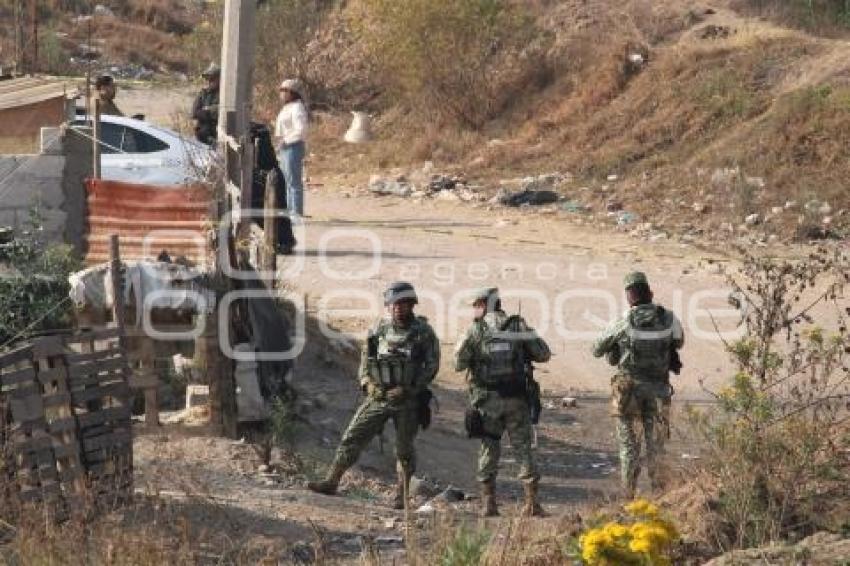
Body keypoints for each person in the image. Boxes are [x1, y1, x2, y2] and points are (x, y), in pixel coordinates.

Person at [307, 282, 440, 509]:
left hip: (407, 401)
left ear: (411, 305)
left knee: (404, 449)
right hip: (378, 396)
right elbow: (365, 362)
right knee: (353, 436)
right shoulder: (379, 329)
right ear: (388, 306)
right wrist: (368, 384)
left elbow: (432, 365)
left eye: (402, 304)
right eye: (393, 304)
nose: (397, 308)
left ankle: (401, 495)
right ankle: (332, 481)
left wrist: (410, 389)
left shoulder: (423, 333)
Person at [454, 287, 551, 517]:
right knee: (522, 449)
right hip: (516, 399)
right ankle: (532, 504)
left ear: (483, 304)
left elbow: (458, 362)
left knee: (489, 447)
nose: (473, 310)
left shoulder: (475, 330)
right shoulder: (517, 326)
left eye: (475, 305)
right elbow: (543, 353)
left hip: (488, 401)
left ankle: (489, 504)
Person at [591, 272, 684, 499]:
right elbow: (679, 341)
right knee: (657, 449)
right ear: (650, 293)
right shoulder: (668, 318)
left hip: (628, 393)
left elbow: (596, 349)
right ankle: (660, 497)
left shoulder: (624, 320)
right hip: (659, 391)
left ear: (629, 296)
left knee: (629, 449)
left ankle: (628, 499)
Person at [274, 78, 308, 217]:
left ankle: (296, 212)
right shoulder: (287, 107)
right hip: (285, 146)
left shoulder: (297, 107)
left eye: (284, 90)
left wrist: (286, 140)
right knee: (286, 180)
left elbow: (301, 129)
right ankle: (289, 210)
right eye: (281, 90)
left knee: (294, 180)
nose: (281, 93)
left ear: (292, 92)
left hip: (293, 146)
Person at [192, 63, 220, 146]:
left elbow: (223, 111)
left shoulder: (224, 94)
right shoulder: (203, 93)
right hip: (203, 134)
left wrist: (208, 110)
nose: (209, 81)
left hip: (218, 132)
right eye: (207, 79)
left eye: (212, 79)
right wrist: (210, 112)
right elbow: (195, 113)